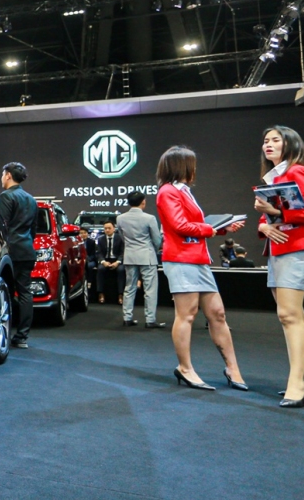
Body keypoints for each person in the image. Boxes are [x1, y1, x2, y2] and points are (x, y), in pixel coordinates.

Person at [156, 145, 247, 392]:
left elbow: (192, 224)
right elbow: (179, 225)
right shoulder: (167, 191)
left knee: (217, 313)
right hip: (181, 259)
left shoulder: (182, 191)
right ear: (182, 166)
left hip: (198, 258)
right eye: (192, 164)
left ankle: (233, 368)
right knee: (187, 314)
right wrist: (210, 229)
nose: (194, 169)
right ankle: (185, 368)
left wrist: (222, 228)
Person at [256, 125, 304, 407]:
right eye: (266, 140)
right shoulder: (274, 176)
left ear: (290, 144)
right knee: (294, 315)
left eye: (276, 140)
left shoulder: (297, 171)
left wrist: (276, 212)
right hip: (280, 249)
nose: (269, 144)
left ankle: (297, 383)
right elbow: (269, 217)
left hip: (298, 249)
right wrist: (264, 225)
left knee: (289, 315)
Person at [0, 162, 37, 349]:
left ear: (8, 175)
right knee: (25, 293)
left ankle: (2, 331)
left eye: (2, 174)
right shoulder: (31, 199)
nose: (1, 178)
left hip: (10, 251)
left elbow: (1, 226)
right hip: (27, 250)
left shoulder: (6, 196)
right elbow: (33, 230)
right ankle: (22, 337)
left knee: (4, 292)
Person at [118, 192, 163, 328]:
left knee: (129, 287)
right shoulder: (149, 218)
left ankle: (127, 318)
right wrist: (154, 249)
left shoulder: (120, 218)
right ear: (143, 202)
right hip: (147, 256)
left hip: (130, 256)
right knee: (150, 290)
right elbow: (157, 239)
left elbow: (122, 237)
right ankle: (150, 320)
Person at [94, 222, 125, 304]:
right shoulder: (100, 239)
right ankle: (100, 293)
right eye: (105, 228)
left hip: (117, 260)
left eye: (109, 228)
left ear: (114, 229)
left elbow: (122, 252)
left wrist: (117, 262)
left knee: (121, 270)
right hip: (105, 260)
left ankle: (121, 294)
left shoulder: (120, 238)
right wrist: (103, 261)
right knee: (100, 269)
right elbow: (99, 253)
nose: (107, 230)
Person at [79, 227, 98, 296]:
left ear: (87, 234)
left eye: (85, 233)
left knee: (89, 265)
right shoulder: (76, 242)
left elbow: (94, 254)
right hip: (80, 260)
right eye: (81, 233)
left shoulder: (91, 242)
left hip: (90, 260)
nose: (83, 235)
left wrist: (87, 259)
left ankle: (89, 282)